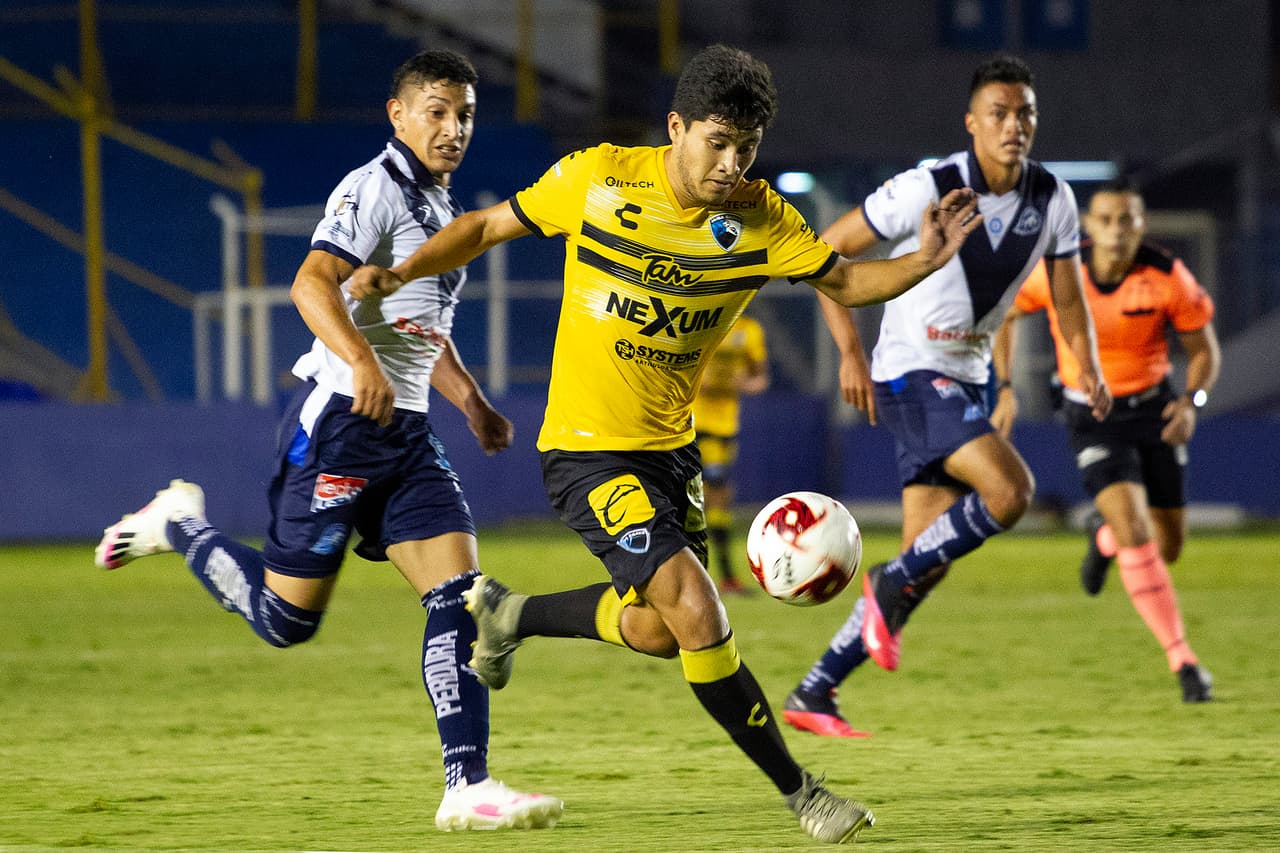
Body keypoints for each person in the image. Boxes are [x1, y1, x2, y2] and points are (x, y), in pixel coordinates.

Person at [346, 43, 981, 844]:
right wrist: (399, 275)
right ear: (676, 126)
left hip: (668, 450)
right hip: (585, 449)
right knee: (697, 606)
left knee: (655, 627)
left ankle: (509, 613)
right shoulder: (600, 177)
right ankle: (803, 792)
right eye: (716, 142)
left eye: (746, 150)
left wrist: (925, 259)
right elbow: (481, 226)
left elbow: (847, 282)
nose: (729, 164)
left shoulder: (760, 219)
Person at [93, 49, 563, 831]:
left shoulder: (441, 211)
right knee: (286, 622)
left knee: (462, 596)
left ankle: (466, 785)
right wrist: (358, 360)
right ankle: (179, 520)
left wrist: (473, 403)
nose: (453, 129)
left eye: (466, 114)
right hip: (342, 423)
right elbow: (311, 282)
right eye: (438, 111)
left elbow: (420, 329)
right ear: (399, 115)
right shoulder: (373, 188)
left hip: (407, 433)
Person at [783, 54, 1112, 739]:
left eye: (1025, 113)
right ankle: (882, 585)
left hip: (966, 379)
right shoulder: (926, 188)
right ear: (972, 123)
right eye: (999, 113)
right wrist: (848, 349)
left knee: (923, 561)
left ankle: (816, 688)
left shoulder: (1053, 199)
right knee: (1011, 491)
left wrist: (1092, 368)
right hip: (909, 371)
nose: (1013, 125)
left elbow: (1068, 299)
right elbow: (822, 251)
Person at [994, 176, 1220, 702]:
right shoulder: (1061, 271)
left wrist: (1192, 403)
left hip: (1155, 410)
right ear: (1089, 225)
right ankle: (1184, 661)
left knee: (1168, 546)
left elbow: (1204, 350)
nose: (1117, 230)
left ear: (1142, 225)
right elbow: (1006, 311)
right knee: (1138, 530)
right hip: (1092, 414)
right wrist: (1004, 385)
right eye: (1106, 219)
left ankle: (1103, 537)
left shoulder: (1167, 275)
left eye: (1128, 220)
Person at [692, 311, 769, 594]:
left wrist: (741, 384)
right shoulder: (706, 320)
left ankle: (722, 577)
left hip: (727, 426)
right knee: (714, 491)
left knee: (719, 498)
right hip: (696, 422)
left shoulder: (750, 330)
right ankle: (715, 576)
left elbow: (761, 379)